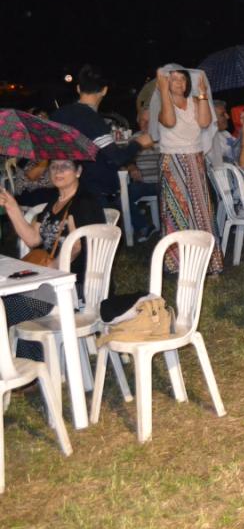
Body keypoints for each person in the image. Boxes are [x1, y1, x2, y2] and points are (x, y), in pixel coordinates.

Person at [0, 159, 105, 360]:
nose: (58, 171)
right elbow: (33, 239)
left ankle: (32, 363)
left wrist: (53, 266)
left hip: (75, 285)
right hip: (51, 281)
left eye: (65, 166)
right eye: (54, 166)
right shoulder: (54, 203)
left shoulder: (84, 202)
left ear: (78, 171)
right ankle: (23, 361)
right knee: (7, 300)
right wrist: (12, 208)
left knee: (11, 305)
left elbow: (76, 247)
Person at [151, 65, 224, 275]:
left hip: (195, 160)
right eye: (173, 79)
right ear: (166, 82)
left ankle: (207, 261)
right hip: (173, 161)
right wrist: (163, 90)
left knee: (201, 208)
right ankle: (180, 263)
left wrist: (202, 93)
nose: (179, 83)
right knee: (178, 210)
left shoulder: (195, 101)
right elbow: (170, 121)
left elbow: (205, 122)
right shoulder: (162, 104)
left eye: (182, 79)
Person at [50, 64, 154, 206]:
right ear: (104, 91)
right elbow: (118, 158)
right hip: (94, 193)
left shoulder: (58, 115)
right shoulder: (91, 119)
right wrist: (139, 143)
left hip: (64, 188)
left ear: (78, 88)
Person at [125, 106, 160, 242]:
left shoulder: (163, 137)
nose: (145, 124)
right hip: (142, 183)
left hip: (162, 182)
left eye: (148, 121)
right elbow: (126, 160)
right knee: (122, 197)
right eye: (142, 121)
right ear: (138, 121)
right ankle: (144, 226)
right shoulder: (134, 138)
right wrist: (132, 167)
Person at [206, 99, 236, 167]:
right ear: (212, 117)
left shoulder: (225, 133)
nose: (227, 117)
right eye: (222, 114)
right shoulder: (207, 140)